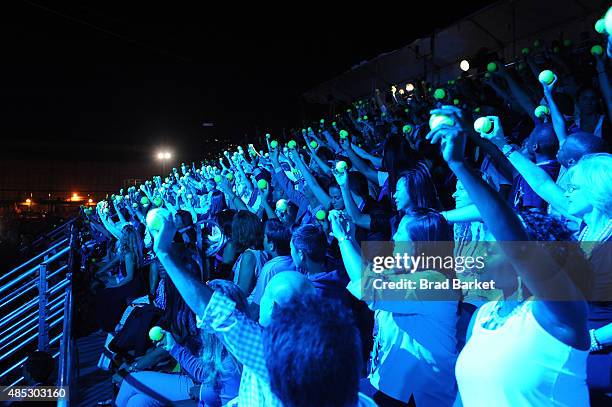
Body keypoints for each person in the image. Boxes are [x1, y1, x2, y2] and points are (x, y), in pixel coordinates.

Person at [427, 105, 591, 407]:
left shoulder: (561, 313)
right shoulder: (484, 315)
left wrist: (460, 165)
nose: (486, 249)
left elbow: (521, 246)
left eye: (495, 243)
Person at [330, 208, 460, 407]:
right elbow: (368, 275)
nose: (393, 238)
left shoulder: (434, 283)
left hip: (418, 396)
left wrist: (342, 240)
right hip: (393, 387)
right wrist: (350, 237)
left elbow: (367, 286)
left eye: (400, 233)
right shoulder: (405, 270)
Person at [115, 280, 244, 407]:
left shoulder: (232, 360)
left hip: (197, 388)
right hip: (196, 383)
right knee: (138, 402)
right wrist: (172, 347)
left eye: (202, 309)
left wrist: (200, 393)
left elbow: (215, 390)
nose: (198, 319)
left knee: (130, 382)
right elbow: (205, 373)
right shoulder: (218, 344)